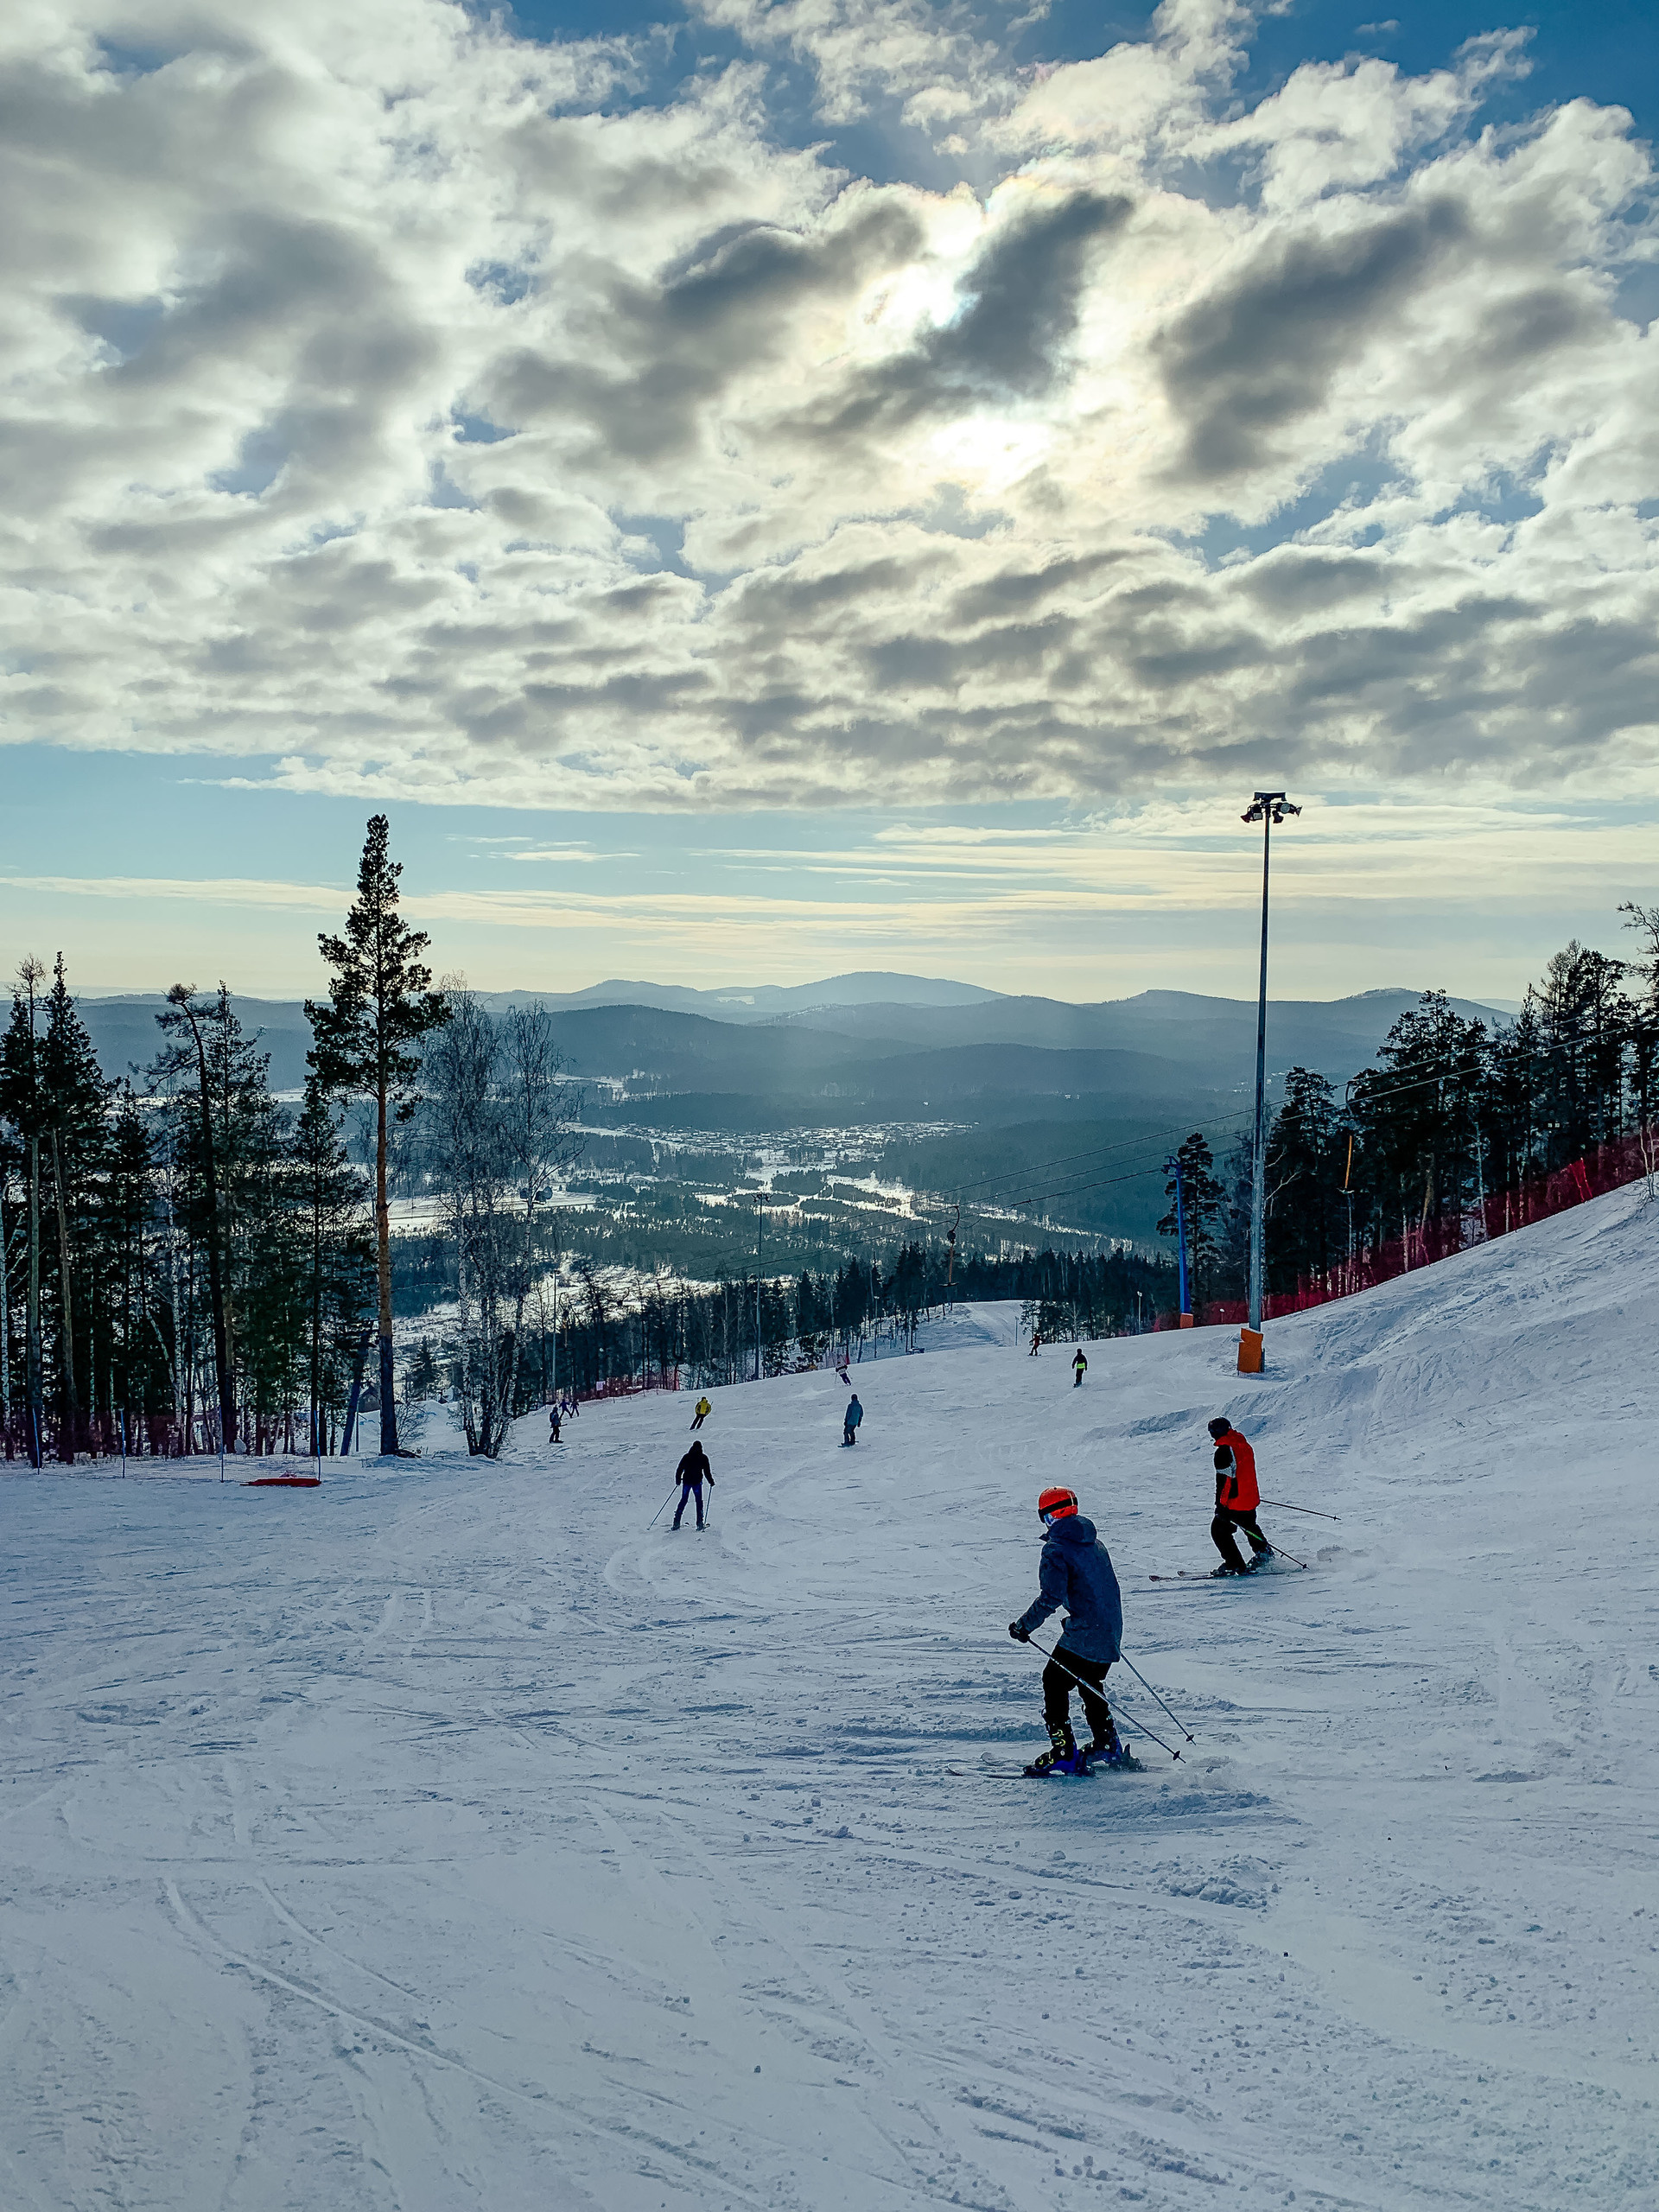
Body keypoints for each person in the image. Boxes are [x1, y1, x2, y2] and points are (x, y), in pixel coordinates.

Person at [1008, 1486, 1126, 1773]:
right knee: (1088, 1682)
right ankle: (1107, 1743)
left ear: (1050, 1517)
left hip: (1086, 1632)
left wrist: (1024, 1626)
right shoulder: (1095, 1544)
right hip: (1110, 1629)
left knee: (1054, 1680)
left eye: (1046, 1518)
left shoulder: (1056, 1550)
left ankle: (1063, 1752)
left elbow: (1051, 1597)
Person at [1208, 1416, 1273, 1575]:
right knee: (1249, 1526)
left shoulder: (1223, 1451)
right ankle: (1264, 1553)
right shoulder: (1243, 1444)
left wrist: (1220, 1506)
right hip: (1250, 1498)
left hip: (1235, 1501)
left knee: (1218, 1531)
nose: (1212, 1436)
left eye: (1212, 1432)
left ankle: (1234, 1563)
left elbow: (1224, 1482)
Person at [672, 1440, 713, 1529]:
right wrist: (711, 1481)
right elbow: (707, 1471)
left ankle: (676, 1522)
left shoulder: (687, 1456)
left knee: (684, 1500)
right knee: (699, 1502)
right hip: (697, 1482)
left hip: (687, 1481)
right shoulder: (703, 1458)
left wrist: (678, 1479)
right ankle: (700, 1523)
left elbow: (680, 1469)